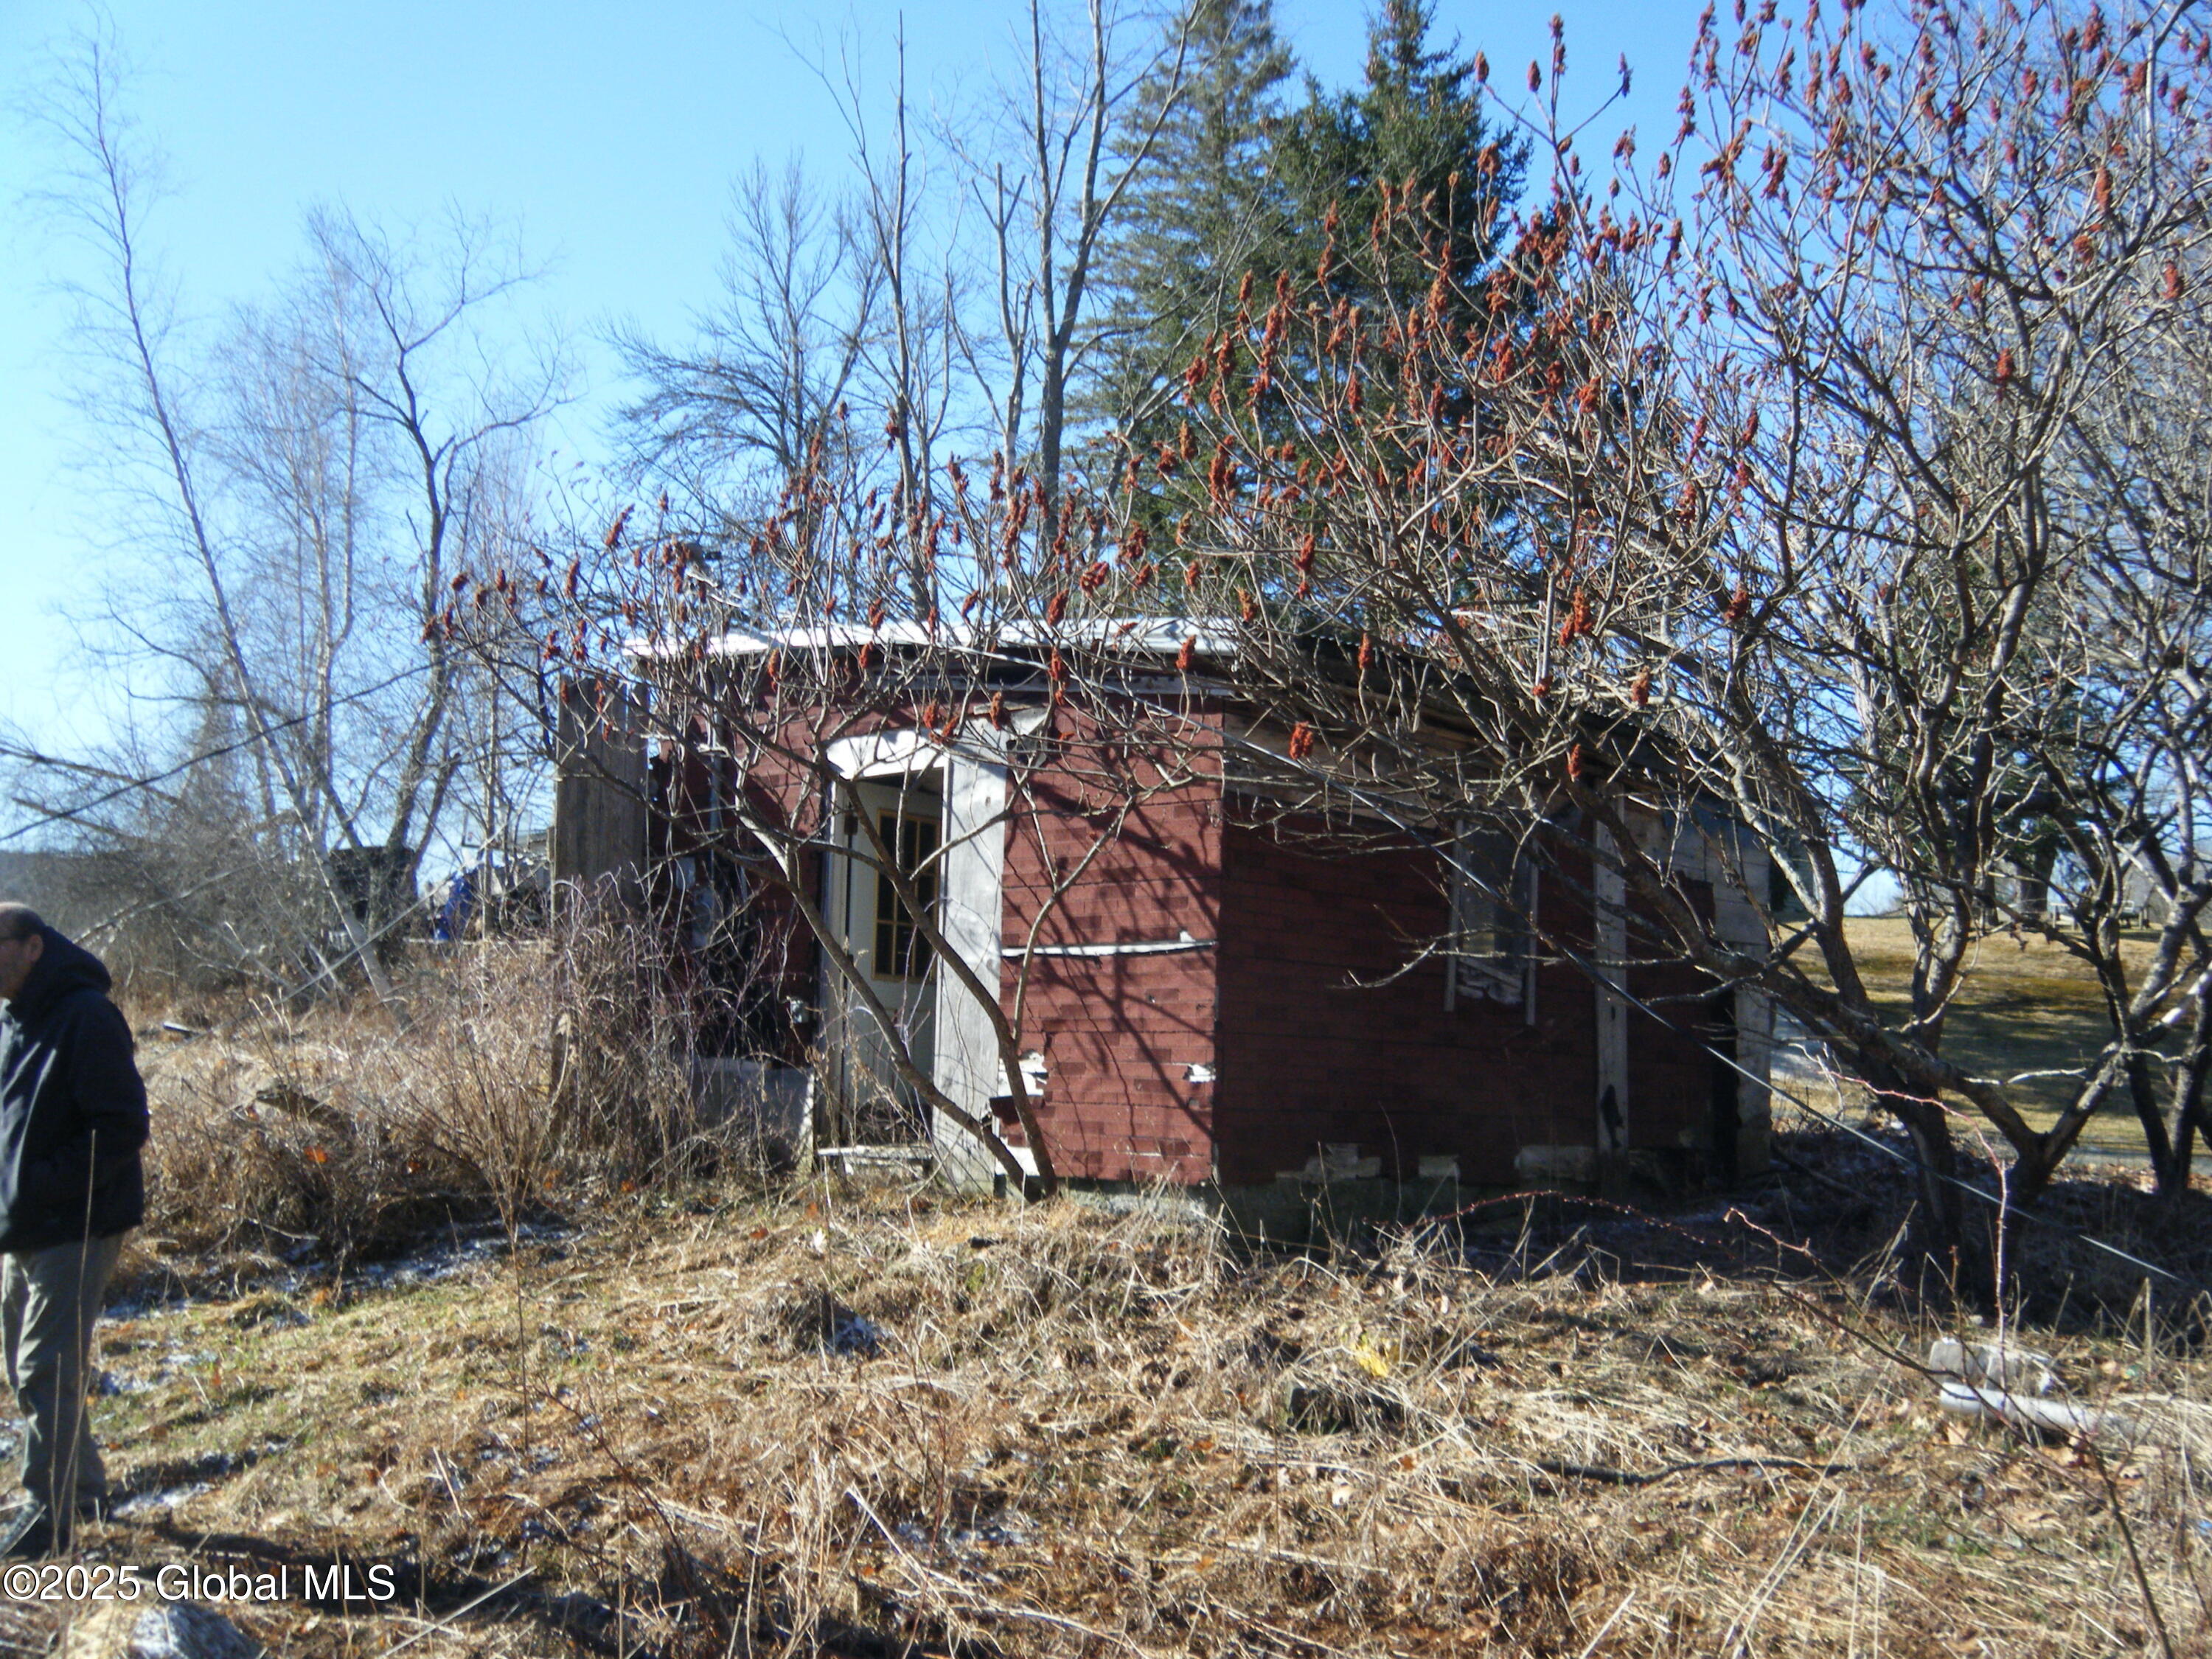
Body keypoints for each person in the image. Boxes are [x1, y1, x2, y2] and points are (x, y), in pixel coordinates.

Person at [0, 904, 147, 1558]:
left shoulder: (87, 1014)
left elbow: (121, 1125)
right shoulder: (15, 1022)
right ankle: (82, 1489)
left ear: (32, 947)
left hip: (75, 1224)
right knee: (26, 1367)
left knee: (45, 1366)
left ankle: (49, 1514)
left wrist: (48, 1187)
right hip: (22, 1228)